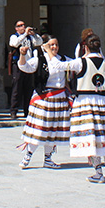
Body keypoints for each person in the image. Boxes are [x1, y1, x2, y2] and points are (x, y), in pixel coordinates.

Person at [60, 33, 105, 183]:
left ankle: (98, 171)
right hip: (104, 102)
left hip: (85, 102)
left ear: (85, 47)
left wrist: (49, 52)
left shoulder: (80, 63)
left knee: (89, 136)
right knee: (102, 133)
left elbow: (57, 65)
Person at [17, 36, 70, 169]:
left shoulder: (63, 59)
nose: (54, 47)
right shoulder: (40, 59)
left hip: (59, 99)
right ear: (46, 46)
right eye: (51, 45)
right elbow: (24, 67)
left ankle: (48, 159)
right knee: (39, 129)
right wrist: (22, 54)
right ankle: (27, 156)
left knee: (52, 131)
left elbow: (77, 64)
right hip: (44, 99)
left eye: (56, 45)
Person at [8, 21, 41, 119]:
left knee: (28, 89)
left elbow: (39, 42)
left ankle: (27, 110)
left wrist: (34, 34)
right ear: (16, 28)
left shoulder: (29, 37)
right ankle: (14, 111)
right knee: (17, 88)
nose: (23, 27)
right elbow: (14, 44)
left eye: (23, 25)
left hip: (29, 65)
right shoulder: (14, 37)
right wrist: (24, 34)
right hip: (18, 65)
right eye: (20, 26)